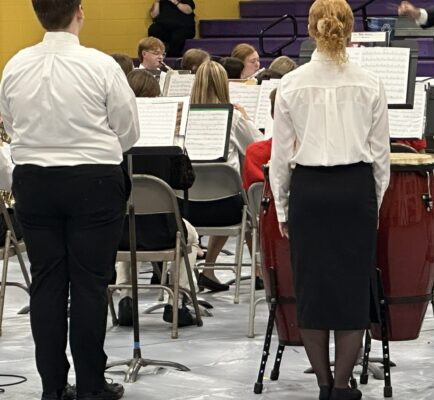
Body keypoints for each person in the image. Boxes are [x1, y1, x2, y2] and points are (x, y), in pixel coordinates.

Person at [0, 0, 139, 398]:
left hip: (34, 180)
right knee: (89, 284)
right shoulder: (101, 65)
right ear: (80, 11)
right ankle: (92, 386)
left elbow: (10, 124)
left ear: (37, 14)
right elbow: (128, 130)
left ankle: (52, 387)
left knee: (46, 283)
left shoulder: (15, 65)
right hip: (93, 179)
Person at [270, 1, 390, 398]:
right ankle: (342, 386)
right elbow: (381, 156)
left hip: (309, 192)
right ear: (350, 30)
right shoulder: (370, 82)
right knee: (353, 289)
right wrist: (373, 203)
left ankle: (324, 385)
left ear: (310, 29)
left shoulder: (291, 83)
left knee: (312, 290)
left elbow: (280, 156)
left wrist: (282, 207)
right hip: (354, 189)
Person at [114, 69, 201, 327]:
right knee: (191, 237)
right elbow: (185, 181)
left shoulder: (113, 142)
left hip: (119, 234)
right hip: (163, 231)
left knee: (128, 227)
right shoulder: (167, 141)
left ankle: (126, 297)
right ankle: (178, 302)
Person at [189, 61, 262, 292]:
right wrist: (246, 118)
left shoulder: (181, 117)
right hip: (224, 208)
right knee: (248, 207)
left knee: (227, 194)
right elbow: (258, 146)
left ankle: (209, 270)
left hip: (185, 207)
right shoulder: (232, 117)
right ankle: (259, 271)